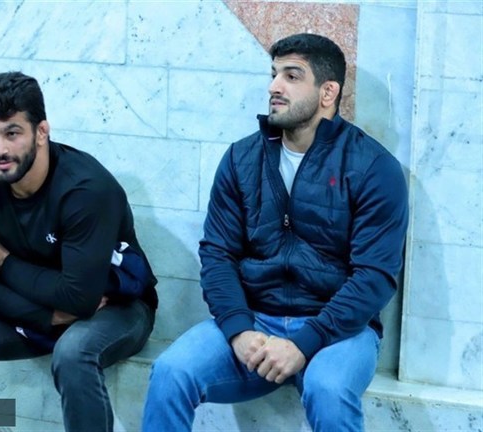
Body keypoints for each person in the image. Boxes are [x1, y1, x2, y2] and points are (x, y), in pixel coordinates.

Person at [142, 33, 408, 431]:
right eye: (273, 74)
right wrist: (238, 330)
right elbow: (217, 253)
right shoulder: (241, 158)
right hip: (255, 321)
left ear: (328, 92)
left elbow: (375, 276)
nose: (274, 87)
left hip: (339, 331)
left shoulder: (373, 167)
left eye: (291, 76)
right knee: (171, 372)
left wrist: (304, 343)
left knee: (329, 391)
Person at [0, 71, 158, 432]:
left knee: (73, 353)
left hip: (116, 306)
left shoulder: (87, 189)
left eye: (12, 133)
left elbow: (80, 300)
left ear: (42, 132)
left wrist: (4, 261)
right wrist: (46, 316)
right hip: (41, 304)